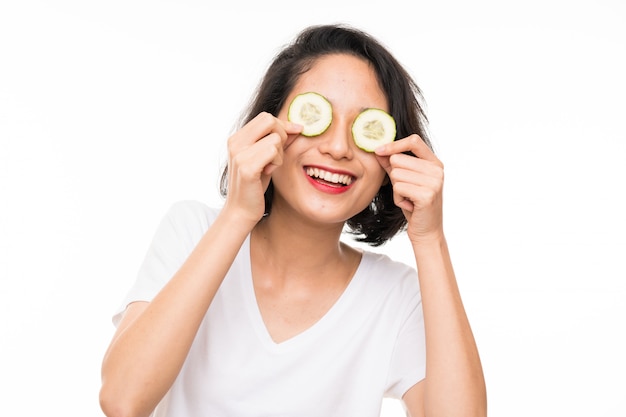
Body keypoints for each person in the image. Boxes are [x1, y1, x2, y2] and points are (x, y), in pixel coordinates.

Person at [99, 24, 487, 417]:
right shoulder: (192, 230)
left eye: (366, 128)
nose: (337, 147)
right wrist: (237, 214)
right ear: (267, 126)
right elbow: (123, 400)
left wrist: (430, 239)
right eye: (316, 114)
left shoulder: (398, 296)